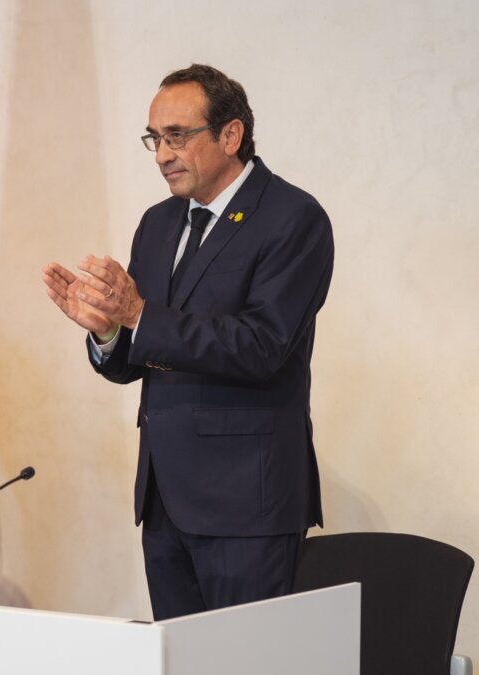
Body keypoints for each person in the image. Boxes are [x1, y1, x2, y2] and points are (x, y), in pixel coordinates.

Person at [43, 64, 334, 620]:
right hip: (164, 501)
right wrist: (107, 330)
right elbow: (140, 352)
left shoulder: (293, 219)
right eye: (155, 138)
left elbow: (261, 346)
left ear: (231, 136)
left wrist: (138, 314)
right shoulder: (158, 223)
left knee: (247, 664)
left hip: (247, 507)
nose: (160, 154)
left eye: (177, 136)